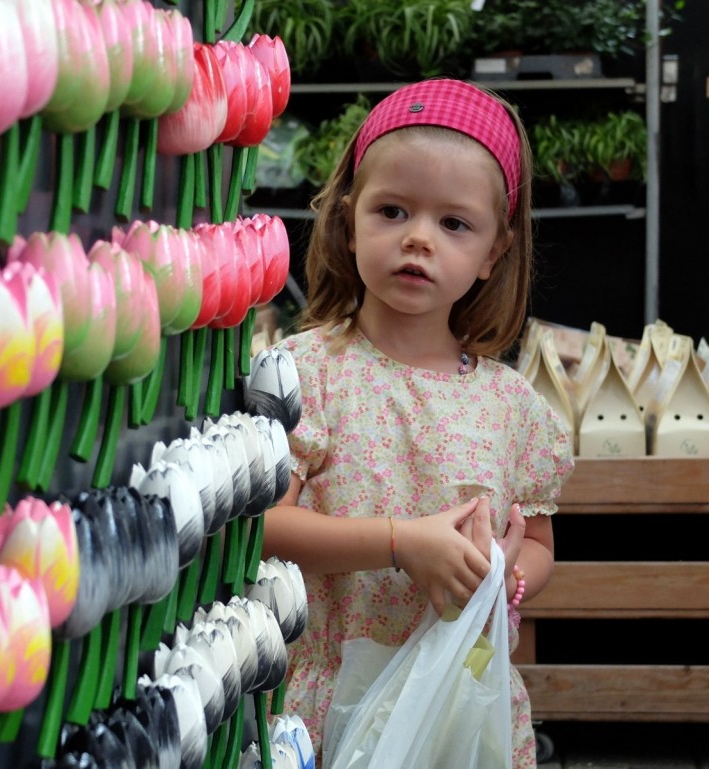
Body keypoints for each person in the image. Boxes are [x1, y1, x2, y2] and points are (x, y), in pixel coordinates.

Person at [261, 77, 575, 767]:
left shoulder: (513, 407)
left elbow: (540, 546)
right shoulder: (308, 373)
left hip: (462, 702)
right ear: (348, 219)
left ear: (493, 252)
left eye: (454, 223)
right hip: (331, 698)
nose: (418, 239)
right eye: (393, 210)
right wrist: (403, 542)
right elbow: (263, 526)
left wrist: (503, 574)